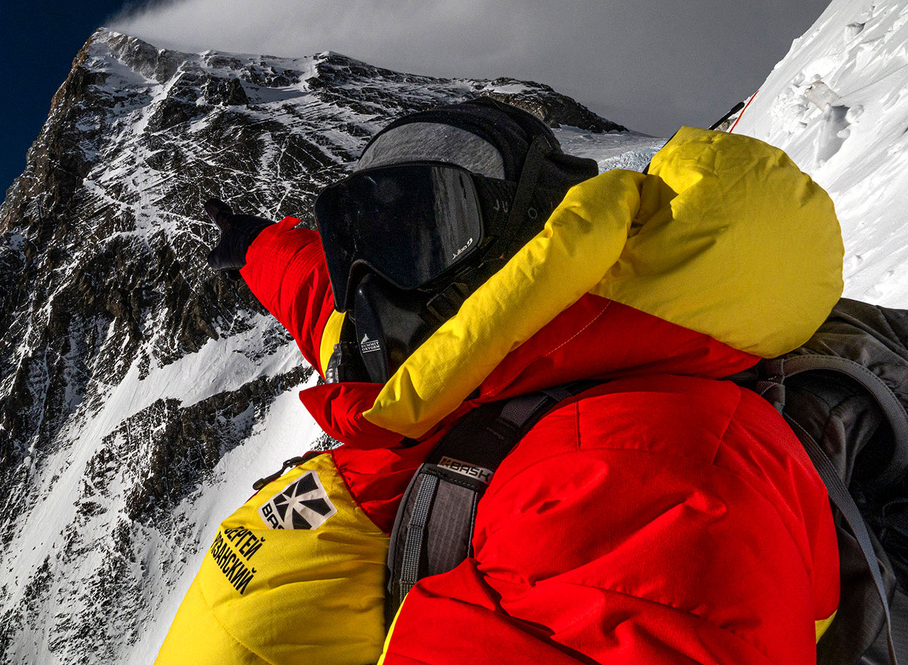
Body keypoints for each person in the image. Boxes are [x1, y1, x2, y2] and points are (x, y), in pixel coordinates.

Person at [155, 97, 843, 664]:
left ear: (531, 248)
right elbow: (333, 303)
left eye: (422, 240)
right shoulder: (449, 369)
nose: (367, 285)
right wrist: (259, 247)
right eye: (355, 245)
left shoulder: (645, 472)